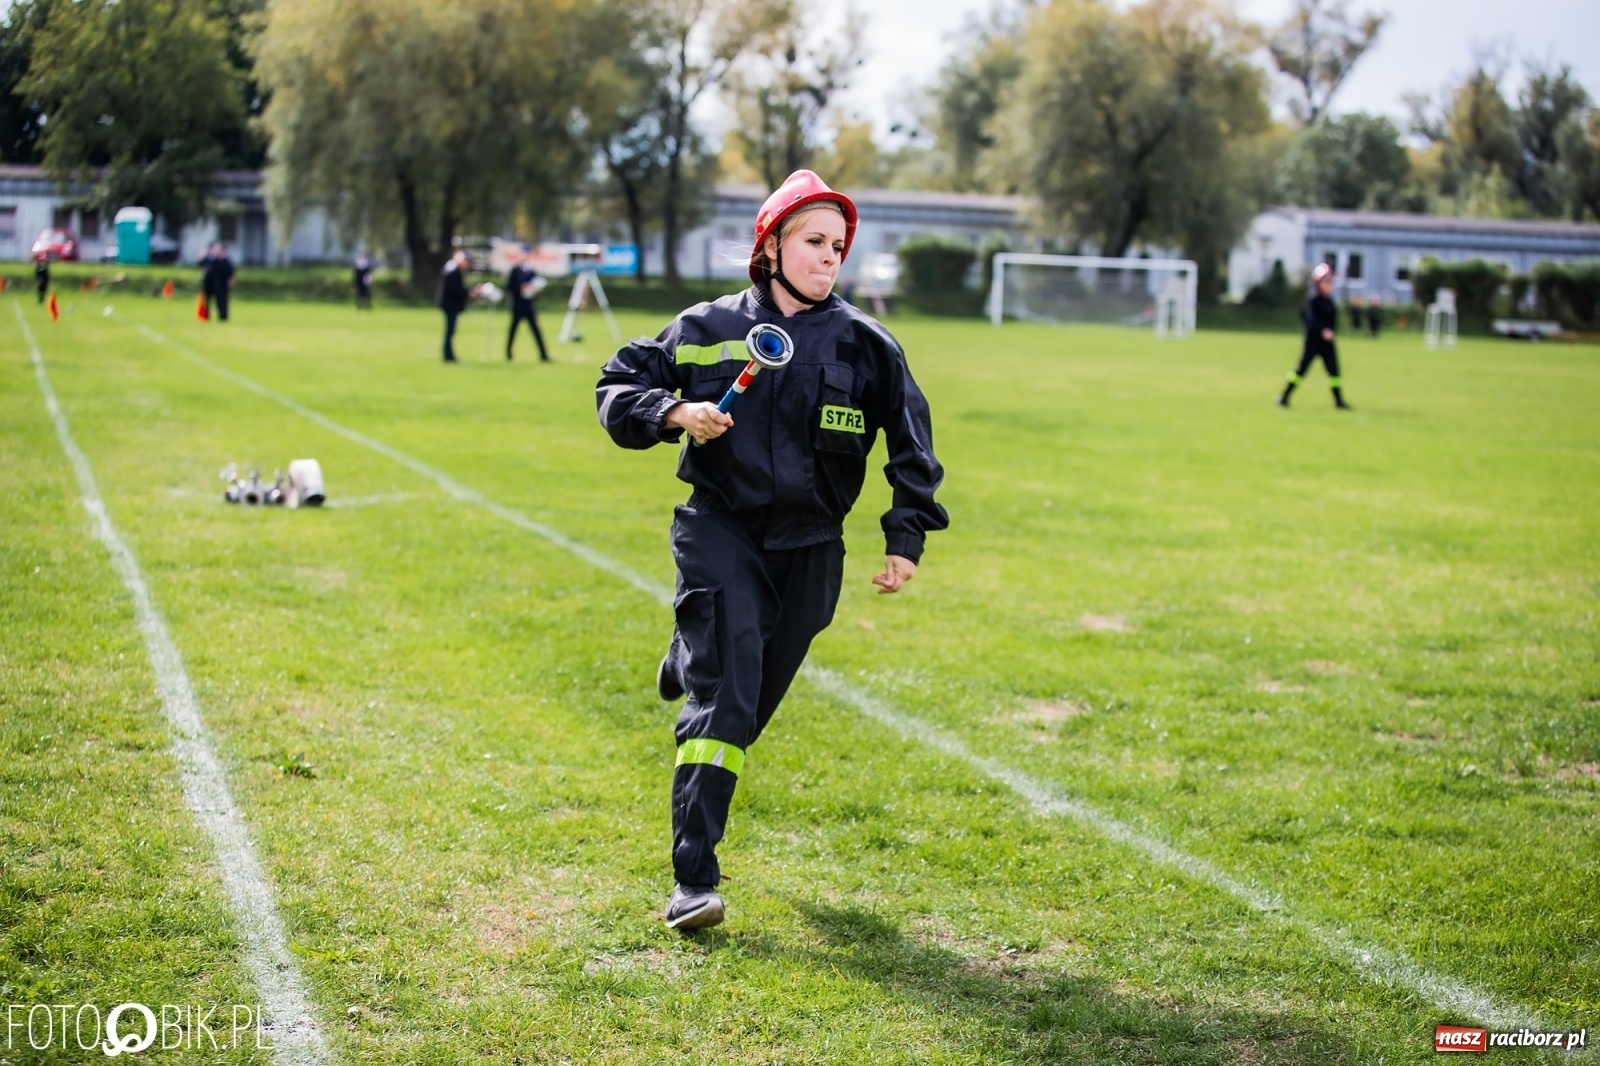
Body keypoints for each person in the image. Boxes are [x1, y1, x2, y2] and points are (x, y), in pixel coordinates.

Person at [596, 170, 949, 931]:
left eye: (838, 246)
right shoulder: (705, 326)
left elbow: (912, 445)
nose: (830, 258)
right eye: (814, 242)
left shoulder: (868, 345)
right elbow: (617, 389)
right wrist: (675, 410)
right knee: (725, 702)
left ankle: (689, 656)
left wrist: (906, 536)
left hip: (814, 548)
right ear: (771, 246)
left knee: (746, 711)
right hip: (721, 527)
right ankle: (693, 880)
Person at [1280, 262, 1351, 410]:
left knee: (1334, 372)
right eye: (1326, 281)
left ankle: (1339, 401)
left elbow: (1333, 321)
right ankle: (1284, 397)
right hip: (1313, 342)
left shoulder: (1330, 301)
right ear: (1318, 283)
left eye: (1330, 281)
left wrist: (1331, 331)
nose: (1329, 284)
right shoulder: (1313, 300)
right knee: (1301, 370)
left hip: (1327, 344)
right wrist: (1322, 331)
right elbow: (1309, 320)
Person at [504, 251, 549, 362]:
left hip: (528, 305)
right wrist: (520, 288)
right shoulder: (515, 270)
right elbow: (509, 286)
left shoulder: (531, 271)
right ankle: (508, 353)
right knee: (513, 330)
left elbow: (536, 284)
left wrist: (535, 290)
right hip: (518, 305)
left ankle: (543, 354)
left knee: (536, 330)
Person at [435, 250, 473, 363]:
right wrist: (468, 292)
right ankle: (448, 356)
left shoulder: (451, 268)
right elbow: (455, 289)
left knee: (450, 331)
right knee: (450, 331)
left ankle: (449, 354)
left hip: (449, 304)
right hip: (450, 305)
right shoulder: (453, 270)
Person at [200, 242, 235, 322]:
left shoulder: (226, 262)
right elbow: (203, 264)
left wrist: (230, 282)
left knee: (222, 302)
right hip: (210, 285)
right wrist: (203, 255)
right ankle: (206, 316)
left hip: (222, 285)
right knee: (207, 301)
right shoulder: (212, 260)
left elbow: (231, 274)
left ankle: (223, 317)